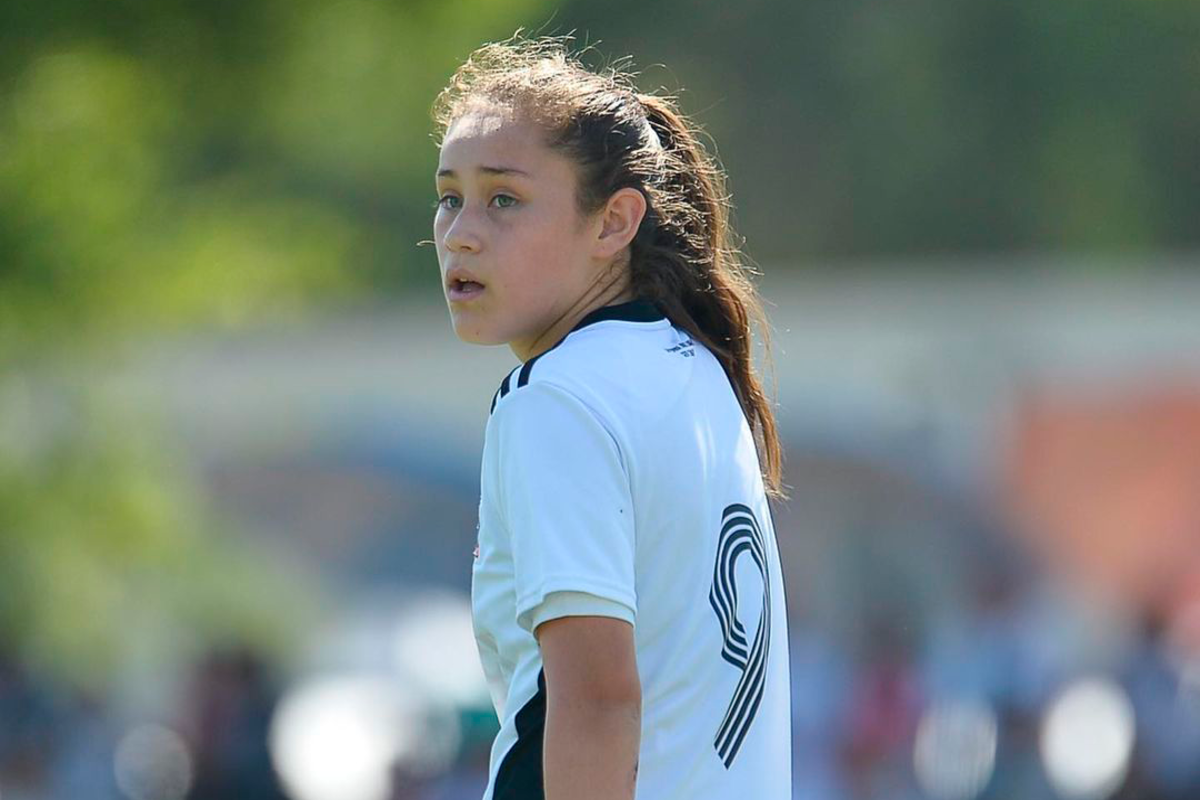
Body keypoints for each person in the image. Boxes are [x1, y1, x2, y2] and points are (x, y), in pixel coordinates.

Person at [429, 30, 792, 800]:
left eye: (504, 198)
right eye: (449, 197)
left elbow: (598, 700)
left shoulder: (558, 399)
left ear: (613, 222)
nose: (460, 233)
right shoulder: (695, 370)